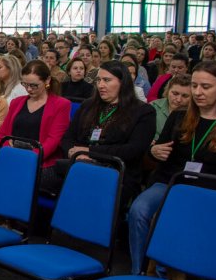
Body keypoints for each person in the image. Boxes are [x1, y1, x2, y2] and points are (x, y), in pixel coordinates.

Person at [130, 61, 216, 277]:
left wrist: (197, 184)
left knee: (173, 215)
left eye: (205, 87)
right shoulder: (179, 117)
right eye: (195, 86)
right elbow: (159, 155)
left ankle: (166, 272)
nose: (198, 92)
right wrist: (154, 152)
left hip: (210, 191)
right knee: (138, 211)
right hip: (170, 182)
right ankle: (138, 271)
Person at [60, 61, 155, 202]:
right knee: (40, 179)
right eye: (98, 80)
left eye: (107, 80)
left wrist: (88, 152)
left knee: (85, 194)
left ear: (123, 83)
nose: (100, 85)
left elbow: (133, 150)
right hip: (79, 165)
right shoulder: (88, 105)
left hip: (117, 172)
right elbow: (67, 138)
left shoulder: (143, 112)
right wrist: (72, 152)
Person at [0, 60, 71, 194]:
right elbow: (2, 134)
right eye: (25, 84)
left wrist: (24, 160)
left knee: (11, 178)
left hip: (41, 161)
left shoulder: (61, 105)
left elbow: (52, 141)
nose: (28, 89)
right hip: (13, 155)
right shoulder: (17, 102)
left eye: (34, 85)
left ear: (47, 81)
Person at [150, 74, 192, 140]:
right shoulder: (152, 107)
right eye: (175, 94)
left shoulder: (196, 113)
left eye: (185, 96)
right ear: (167, 90)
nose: (178, 99)